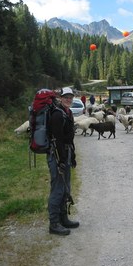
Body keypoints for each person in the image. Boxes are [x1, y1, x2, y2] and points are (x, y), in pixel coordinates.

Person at [47, 87, 79, 235]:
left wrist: (72, 157)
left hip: (66, 153)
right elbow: (57, 139)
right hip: (57, 155)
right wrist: (60, 160)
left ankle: (63, 218)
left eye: (70, 97)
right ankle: (54, 224)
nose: (68, 99)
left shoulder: (68, 113)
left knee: (66, 187)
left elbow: (69, 138)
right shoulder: (57, 115)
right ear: (60, 98)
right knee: (58, 189)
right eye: (66, 97)